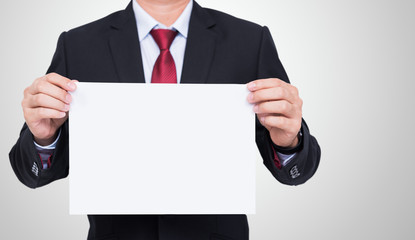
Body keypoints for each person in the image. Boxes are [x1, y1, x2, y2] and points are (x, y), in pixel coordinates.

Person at [9, 0, 321, 239]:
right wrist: (44, 138)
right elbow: (32, 174)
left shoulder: (249, 41)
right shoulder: (78, 45)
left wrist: (287, 141)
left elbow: (295, 173)